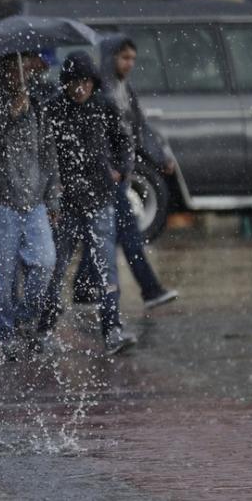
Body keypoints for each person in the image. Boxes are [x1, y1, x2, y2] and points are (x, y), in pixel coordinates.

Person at [39, 51, 137, 355]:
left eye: (85, 83)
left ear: (93, 83)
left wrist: (120, 169)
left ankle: (112, 329)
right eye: (74, 84)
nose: (80, 89)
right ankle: (44, 329)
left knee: (106, 268)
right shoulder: (53, 109)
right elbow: (42, 152)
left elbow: (123, 139)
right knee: (56, 269)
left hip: (99, 197)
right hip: (66, 202)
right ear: (66, 84)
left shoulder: (103, 106)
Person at [73, 36, 178, 310]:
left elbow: (138, 128)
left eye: (132, 58)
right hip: (107, 177)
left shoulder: (124, 89)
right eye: (124, 58)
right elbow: (95, 136)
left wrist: (160, 156)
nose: (129, 64)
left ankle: (84, 287)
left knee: (103, 234)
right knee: (126, 233)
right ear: (111, 57)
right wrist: (109, 167)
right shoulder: (100, 90)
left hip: (119, 174)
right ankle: (150, 289)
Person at [0, 53, 61, 359]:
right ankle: (5, 335)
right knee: (3, 276)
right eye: (13, 67)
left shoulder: (37, 105)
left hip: (33, 201)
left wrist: (52, 199)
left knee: (45, 263)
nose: (19, 72)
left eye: (23, 66)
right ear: (4, 70)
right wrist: (9, 116)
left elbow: (48, 155)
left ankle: (24, 317)